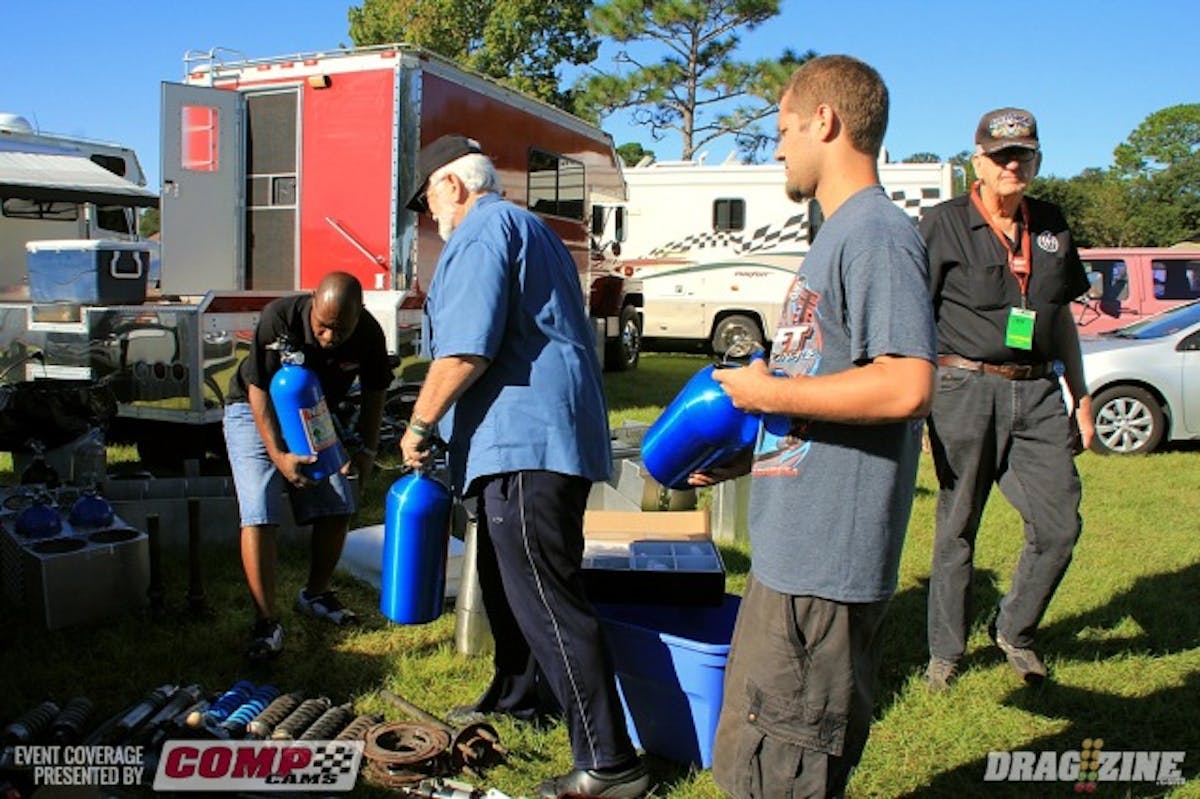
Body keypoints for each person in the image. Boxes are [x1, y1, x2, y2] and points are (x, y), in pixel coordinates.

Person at [689, 56, 937, 798]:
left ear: (825, 123)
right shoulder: (837, 236)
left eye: (784, 130)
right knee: (748, 764)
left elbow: (906, 382)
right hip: (793, 556)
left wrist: (769, 393)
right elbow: (827, 388)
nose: (777, 149)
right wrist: (756, 441)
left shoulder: (878, 234)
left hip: (823, 571)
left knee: (780, 775)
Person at [399, 135, 649, 799]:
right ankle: (520, 696)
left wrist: (419, 423)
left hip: (525, 445)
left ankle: (610, 761)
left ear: (451, 184)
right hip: (533, 442)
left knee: (546, 597)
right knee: (514, 585)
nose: (430, 213)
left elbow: (464, 352)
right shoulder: (524, 228)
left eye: (428, 198)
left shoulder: (482, 231)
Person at [921, 108, 1094, 691]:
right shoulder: (942, 223)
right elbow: (917, 317)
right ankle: (945, 652)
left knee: (1058, 525)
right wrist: (922, 401)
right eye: (1001, 156)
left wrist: (1082, 393)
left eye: (1023, 155)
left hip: (1040, 393)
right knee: (958, 527)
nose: (1012, 165)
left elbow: (1061, 315)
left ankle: (1014, 629)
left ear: (1038, 161)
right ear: (978, 163)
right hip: (964, 389)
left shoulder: (1052, 224)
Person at [224, 271, 390, 660]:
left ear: (358, 315)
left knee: (339, 501)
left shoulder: (368, 334)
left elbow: (375, 392)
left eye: (340, 330)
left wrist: (366, 451)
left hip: (313, 410)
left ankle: (314, 595)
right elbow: (258, 390)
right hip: (253, 411)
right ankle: (266, 623)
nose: (329, 337)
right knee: (259, 510)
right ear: (313, 301)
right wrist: (279, 456)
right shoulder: (278, 318)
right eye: (323, 326)